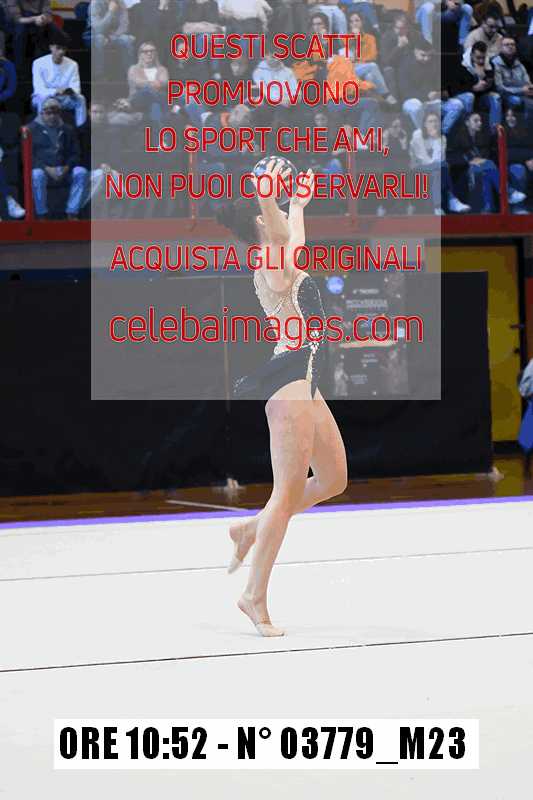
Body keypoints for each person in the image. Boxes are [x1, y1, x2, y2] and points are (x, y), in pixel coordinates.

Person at [217, 159, 348, 636]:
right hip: (289, 379)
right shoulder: (268, 260)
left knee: (333, 478)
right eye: (269, 218)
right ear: (260, 224)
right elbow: (278, 234)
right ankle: (253, 595)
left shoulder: (283, 259)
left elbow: (294, 239)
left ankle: (251, 528)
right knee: (287, 492)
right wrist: (267, 193)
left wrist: (298, 204)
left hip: (305, 378)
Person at [448, 111, 526, 211]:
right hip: (463, 171)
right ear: (467, 122)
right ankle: (508, 193)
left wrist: (480, 161)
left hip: (482, 169)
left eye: (480, 121)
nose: (479, 123)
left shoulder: (482, 137)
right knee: (488, 164)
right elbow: (452, 157)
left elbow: (486, 156)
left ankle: (487, 210)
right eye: (476, 121)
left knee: (486, 173)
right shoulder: (458, 137)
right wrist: (469, 160)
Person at [28, 96, 88, 219]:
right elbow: (29, 156)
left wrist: (67, 167)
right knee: (36, 174)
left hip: (63, 171)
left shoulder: (68, 129)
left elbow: (75, 154)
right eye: (48, 113)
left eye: (55, 113)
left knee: (81, 172)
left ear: (60, 114)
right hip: (44, 170)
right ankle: (41, 214)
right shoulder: (31, 130)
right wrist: (46, 168)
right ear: (41, 113)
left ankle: (72, 212)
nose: (52, 116)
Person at [409, 109, 470, 213]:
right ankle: (452, 200)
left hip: (435, 168)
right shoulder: (417, 136)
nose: (434, 124)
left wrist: (436, 140)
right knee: (443, 166)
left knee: (439, 171)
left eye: (436, 121)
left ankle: (437, 207)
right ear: (425, 124)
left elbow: (439, 159)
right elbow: (424, 160)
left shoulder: (442, 138)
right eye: (430, 121)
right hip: (418, 167)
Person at [32, 41, 87, 126]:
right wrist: (55, 91)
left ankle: (81, 128)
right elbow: (39, 89)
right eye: (58, 48)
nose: (61, 52)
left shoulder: (73, 64)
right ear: (51, 47)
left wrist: (69, 91)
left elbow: (76, 88)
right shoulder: (38, 63)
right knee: (43, 99)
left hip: (64, 98)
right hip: (45, 96)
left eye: (63, 49)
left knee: (80, 99)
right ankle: (42, 128)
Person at [347, 11, 396, 104]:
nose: (354, 24)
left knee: (369, 76)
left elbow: (372, 56)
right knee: (372, 66)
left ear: (362, 22)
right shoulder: (345, 38)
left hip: (365, 67)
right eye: (351, 21)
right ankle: (386, 94)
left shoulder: (370, 38)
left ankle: (377, 101)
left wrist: (359, 40)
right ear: (349, 24)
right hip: (351, 70)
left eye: (357, 20)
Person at [82, 0, 135, 82]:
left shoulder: (121, 3)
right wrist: (111, 12)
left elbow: (124, 26)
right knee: (99, 39)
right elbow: (98, 29)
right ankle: (99, 75)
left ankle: (130, 75)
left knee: (127, 40)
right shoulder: (95, 4)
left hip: (113, 36)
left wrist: (112, 37)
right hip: (92, 35)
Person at [7, 0, 69, 68]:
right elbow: (16, 19)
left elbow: (48, 15)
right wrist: (34, 19)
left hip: (40, 20)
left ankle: (55, 63)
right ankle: (19, 66)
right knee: (20, 31)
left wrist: (43, 19)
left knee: (53, 29)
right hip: (20, 23)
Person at [492, 36, 533, 122]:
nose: (510, 46)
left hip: (521, 94)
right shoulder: (495, 63)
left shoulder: (519, 64)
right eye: (507, 45)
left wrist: (530, 88)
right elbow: (499, 88)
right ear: (501, 48)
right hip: (503, 95)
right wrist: (521, 90)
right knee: (517, 100)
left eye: (512, 44)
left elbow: (527, 82)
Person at [127, 41, 169, 122]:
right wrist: (154, 84)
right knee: (146, 91)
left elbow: (164, 82)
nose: (149, 53)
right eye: (145, 51)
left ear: (156, 53)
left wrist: (148, 84)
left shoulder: (162, 69)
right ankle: (169, 109)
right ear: (140, 54)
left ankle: (158, 127)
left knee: (155, 106)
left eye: (152, 51)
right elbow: (137, 83)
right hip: (138, 99)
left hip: (155, 100)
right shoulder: (134, 68)